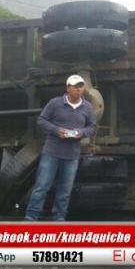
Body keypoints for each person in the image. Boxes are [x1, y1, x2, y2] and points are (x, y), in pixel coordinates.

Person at [25, 74, 97, 221]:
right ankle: (31, 218)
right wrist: (57, 131)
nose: (78, 89)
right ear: (68, 88)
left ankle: (59, 218)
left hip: (72, 156)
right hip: (51, 152)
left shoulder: (87, 107)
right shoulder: (55, 103)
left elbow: (92, 127)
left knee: (65, 190)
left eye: (81, 86)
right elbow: (42, 120)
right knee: (42, 186)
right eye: (75, 86)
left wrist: (80, 133)